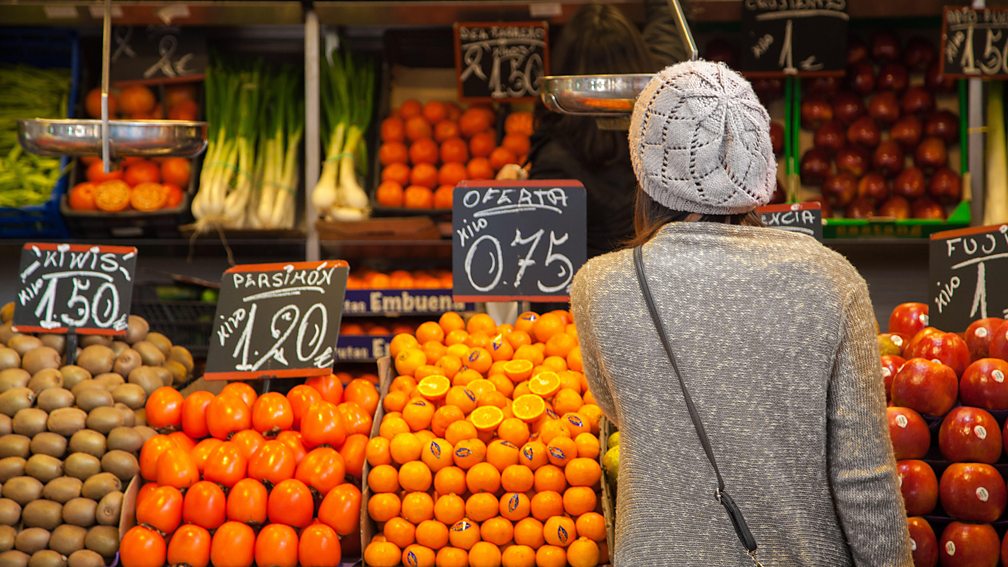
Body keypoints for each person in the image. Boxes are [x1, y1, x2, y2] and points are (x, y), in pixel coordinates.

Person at [570, 61, 913, 566]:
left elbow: (625, 410)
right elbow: (864, 480)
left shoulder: (598, 286)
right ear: (758, 162)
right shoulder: (831, 279)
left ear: (645, 167)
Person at [524, 2, 688, 258]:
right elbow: (668, 30)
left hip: (588, 281)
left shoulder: (554, 162)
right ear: (637, 56)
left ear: (563, 69)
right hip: (662, 275)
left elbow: (545, 260)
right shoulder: (662, 118)